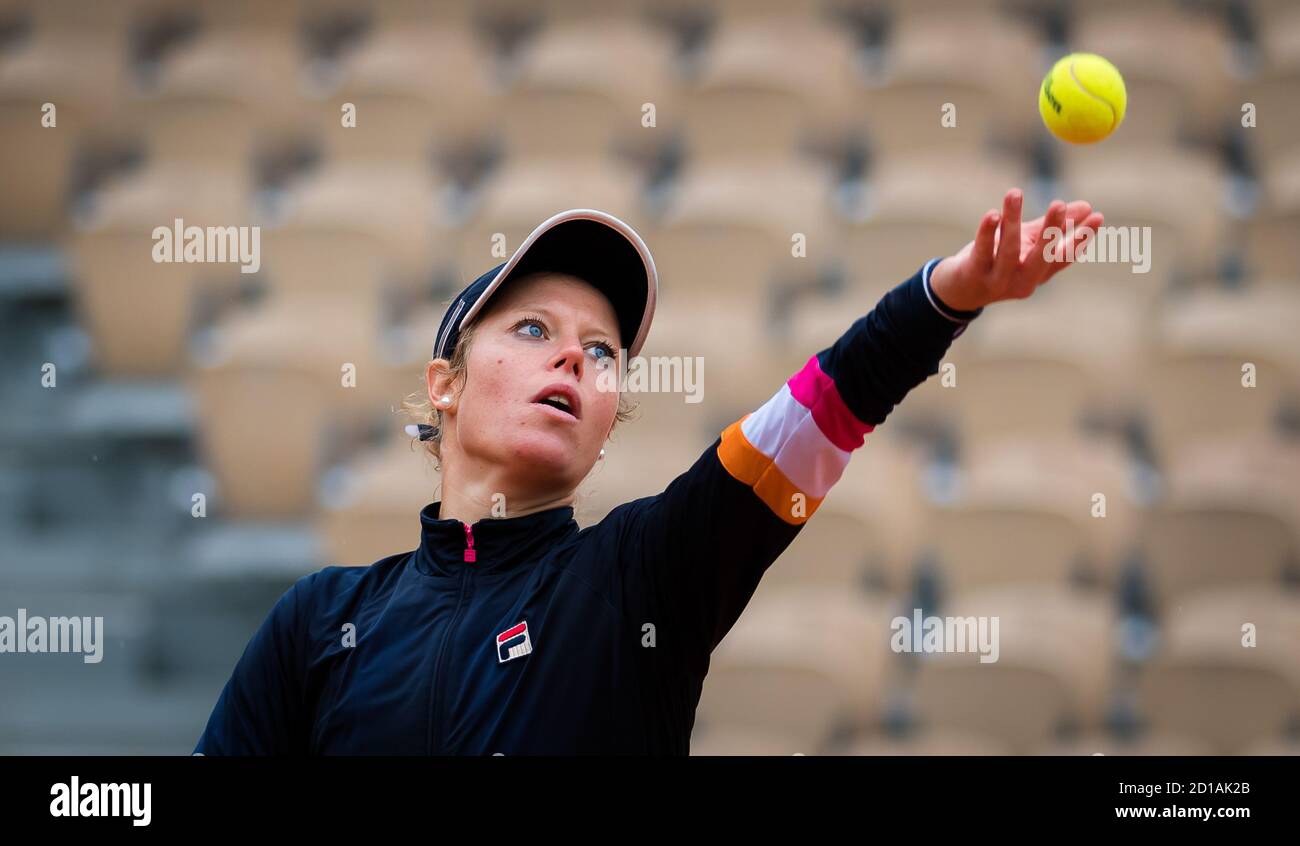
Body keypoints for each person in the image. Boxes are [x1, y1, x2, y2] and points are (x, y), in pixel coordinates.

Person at [194, 194, 1103, 754]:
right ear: (445, 387)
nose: (575, 362)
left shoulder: (638, 577)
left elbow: (818, 413)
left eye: (602, 351)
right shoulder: (319, 621)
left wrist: (945, 296)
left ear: (605, 425)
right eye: (533, 330)